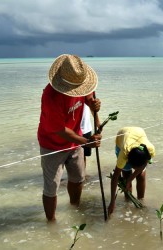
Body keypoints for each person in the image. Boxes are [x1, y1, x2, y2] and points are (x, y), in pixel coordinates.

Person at [37, 54, 102, 222]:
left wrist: (96, 112)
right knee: (51, 187)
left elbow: (89, 98)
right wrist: (88, 142)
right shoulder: (51, 96)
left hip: (76, 140)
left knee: (78, 178)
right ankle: (51, 223)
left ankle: (75, 208)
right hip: (52, 144)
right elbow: (61, 130)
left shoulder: (82, 83)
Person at [108, 127, 155, 215]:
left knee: (141, 175)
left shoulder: (150, 150)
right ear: (128, 160)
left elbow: (144, 164)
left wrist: (131, 179)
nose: (135, 168)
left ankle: (141, 201)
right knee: (126, 175)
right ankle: (127, 202)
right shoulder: (124, 153)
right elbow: (115, 177)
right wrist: (112, 202)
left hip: (138, 132)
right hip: (121, 137)